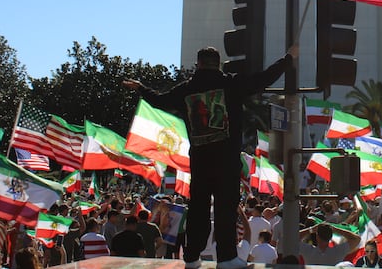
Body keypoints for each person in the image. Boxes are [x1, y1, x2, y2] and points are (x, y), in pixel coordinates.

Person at [124, 45, 295, 269]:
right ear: (219, 63)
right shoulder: (231, 85)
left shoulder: (187, 89)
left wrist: (141, 88)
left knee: (198, 209)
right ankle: (226, 258)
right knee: (226, 209)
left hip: (200, 162)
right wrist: (287, 59)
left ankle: (192, 256)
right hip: (227, 163)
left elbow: (160, 100)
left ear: (198, 64)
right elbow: (262, 80)